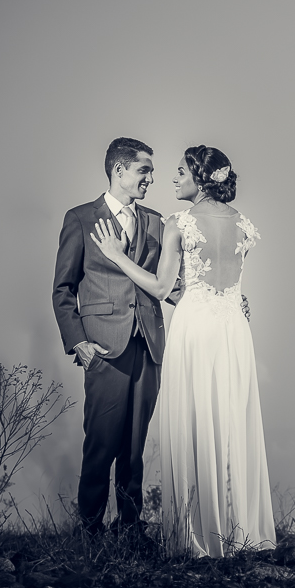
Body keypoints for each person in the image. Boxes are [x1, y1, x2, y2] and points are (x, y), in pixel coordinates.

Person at [90, 145, 274, 557]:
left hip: (196, 328)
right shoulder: (244, 224)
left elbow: (159, 287)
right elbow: (228, 283)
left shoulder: (179, 223)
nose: (171, 180)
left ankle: (196, 538)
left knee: (194, 423)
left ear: (200, 179)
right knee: (230, 424)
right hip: (234, 329)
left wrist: (116, 255)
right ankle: (239, 532)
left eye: (179, 172)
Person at [52, 137, 165, 541]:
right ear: (119, 170)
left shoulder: (156, 222)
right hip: (104, 349)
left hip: (148, 346)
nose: (151, 178)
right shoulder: (81, 218)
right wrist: (78, 342)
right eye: (144, 170)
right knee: (101, 443)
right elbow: (62, 289)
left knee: (134, 448)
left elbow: (170, 284)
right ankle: (89, 530)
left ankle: (131, 529)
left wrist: (223, 295)